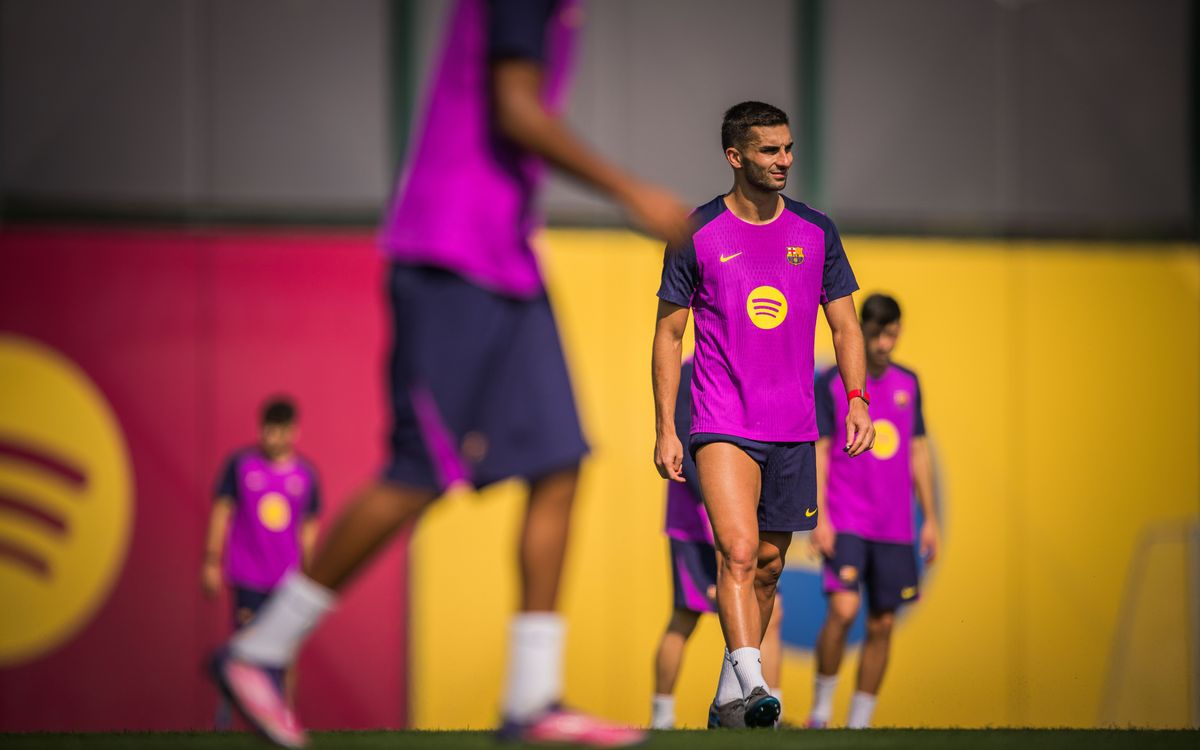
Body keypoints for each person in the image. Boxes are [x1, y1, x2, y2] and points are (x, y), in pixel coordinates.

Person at [208, 1, 690, 747]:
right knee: (417, 472)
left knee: (560, 463)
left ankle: (531, 702)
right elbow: (516, 111)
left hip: (509, 263)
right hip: (448, 255)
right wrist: (636, 195)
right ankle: (261, 651)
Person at [651, 100, 874, 730]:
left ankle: (727, 698)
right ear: (735, 157)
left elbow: (845, 325)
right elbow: (669, 336)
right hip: (720, 420)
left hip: (795, 427)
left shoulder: (816, 230)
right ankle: (755, 690)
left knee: (770, 566)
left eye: (788, 148)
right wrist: (667, 426)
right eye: (770, 150)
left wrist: (858, 400)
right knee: (740, 551)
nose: (785, 160)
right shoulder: (696, 232)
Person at [807, 293, 938, 729]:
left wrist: (931, 518)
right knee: (843, 611)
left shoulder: (909, 383)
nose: (883, 344)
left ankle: (859, 724)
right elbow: (821, 451)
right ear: (861, 331)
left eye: (891, 334)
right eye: (876, 334)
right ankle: (821, 713)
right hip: (846, 520)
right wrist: (820, 516)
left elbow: (918, 451)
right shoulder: (832, 382)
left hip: (895, 525)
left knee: (882, 624)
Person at [649, 360, 784, 730]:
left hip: (737, 522)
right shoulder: (692, 372)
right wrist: (713, 511)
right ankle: (661, 718)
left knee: (771, 615)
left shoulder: (748, 369)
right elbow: (685, 445)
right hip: (693, 524)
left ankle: (767, 711)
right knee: (684, 617)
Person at [202, 397, 320, 729]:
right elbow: (221, 511)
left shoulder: (305, 475)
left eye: (282, 431)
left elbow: (310, 528)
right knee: (243, 650)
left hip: (288, 580)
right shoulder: (241, 466)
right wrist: (211, 560)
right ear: (261, 429)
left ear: (294, 431)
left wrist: (312, 578)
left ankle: (283, 716)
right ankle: (227, 718)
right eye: (269, 430)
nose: (275, 438)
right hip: (248, 575)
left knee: (287, 652)